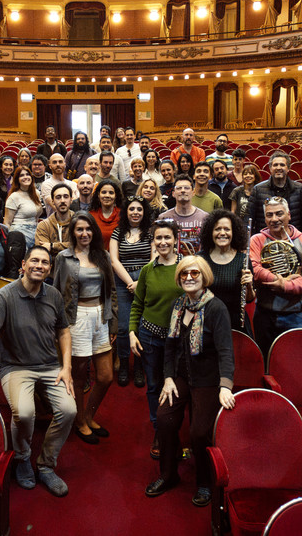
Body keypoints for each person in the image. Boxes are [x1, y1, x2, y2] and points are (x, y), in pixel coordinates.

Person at [0, 245, 76, 497]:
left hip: (49, 366)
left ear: (49, 269)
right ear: (23, 264)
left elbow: (64, 331)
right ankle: (22, 458)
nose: (39, 265)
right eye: (34, 261)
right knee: (24, 413)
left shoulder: (53, 295)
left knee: (68, 410)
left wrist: (67, 367)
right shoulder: (4, 296)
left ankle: (46, 465)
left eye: (44, 262)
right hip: (15, 367)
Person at [144, 256, 235, 507]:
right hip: (181, 375)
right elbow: (170, 347)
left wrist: (225, 386)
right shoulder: (179, 304)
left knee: (199, 432)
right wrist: (168, 378)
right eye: (184, 274)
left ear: (204, 277)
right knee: (164, 418)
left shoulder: (216, 308)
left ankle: (204, 482)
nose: (188, 278)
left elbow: (226, 351)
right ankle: (168, 475)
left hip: (208, 379)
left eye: (194, 273)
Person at [52, 213, 118, 446]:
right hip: (76, 319)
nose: (84, 233)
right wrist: (58, 326)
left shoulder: (103, 255)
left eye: (88, 229)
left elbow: (111, 291)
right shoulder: (64, 257)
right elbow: (55, 292)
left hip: (101, 316)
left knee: (106, 376)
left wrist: (113, 322)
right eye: (79, 229)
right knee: (79, 377)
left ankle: (89, 415)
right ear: (73, 232)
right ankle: (80, 421)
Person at [129, 219, 184, 459]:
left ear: (175, 240)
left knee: (177, 387)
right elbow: (137, 304)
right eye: (158, 238)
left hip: (179, 339)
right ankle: (159, 430)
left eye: (167, 237)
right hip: (150, 336)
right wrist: (132, 332)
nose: (163, 242)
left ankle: (174, 429)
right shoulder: (147, 270)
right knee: (153, 386)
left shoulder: (186, 267)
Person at [249, 196, 302, 353]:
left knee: (298, 358)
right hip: (265, 313)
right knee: (265, 358)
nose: (274, 219)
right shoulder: (256, 240)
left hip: (297, 314)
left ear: (289, 215)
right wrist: (278, 279)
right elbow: (254, 268)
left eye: (279, 213)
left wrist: (286, 286)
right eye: (269, 215)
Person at [109, 196, 152, 388]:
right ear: (126, 212)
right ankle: (125, 365)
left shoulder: (150, 232)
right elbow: (114, 261)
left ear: (144, 212)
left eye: (139, 209)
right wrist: (130, 283)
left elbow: (154, 259)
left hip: (146, 281)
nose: (135, 212)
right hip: (123, 282)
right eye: (132, 209)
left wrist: (139, 283)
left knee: (142, 326)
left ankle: (139, 367)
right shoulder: (117, 232)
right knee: (123, 327)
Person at [201, 210, 254, 333]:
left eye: (227, 229)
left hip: (235, 323)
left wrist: (249, 286)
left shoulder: (243, 260)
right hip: (208, 322)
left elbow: (249, 299)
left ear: (233, 232)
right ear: (210, 232)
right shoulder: (201, 259)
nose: (222, 233)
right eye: (217, 229)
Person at [251, 151, 302, 233]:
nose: (278, 168)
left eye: (282, 165)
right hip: (265, 238)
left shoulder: (300, 189)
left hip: (292, 238)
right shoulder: (257, 189)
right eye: (275, 165)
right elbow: (249, 219)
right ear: (270, 168)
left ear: (288, 168)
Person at [159, 174, 209, 255]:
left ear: (193, 192)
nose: (183, 190)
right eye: (179, 188)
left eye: (186, 188)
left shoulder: (204, 217)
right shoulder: (164, 218)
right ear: (173, 193)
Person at [4, 166, 43, 248]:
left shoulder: (36, 193)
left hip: (35, 231)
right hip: (20, 233)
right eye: (21, 175)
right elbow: (7, 223)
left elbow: (36, 216)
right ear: (17, 179)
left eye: (27, 174)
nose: (25, 177)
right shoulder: (14, 197)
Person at [36, 182, 76, 254]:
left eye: (66, 196)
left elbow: (81, 246)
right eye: (58, 197)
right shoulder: (44, 225)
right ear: (53, 201)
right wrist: (69, 245)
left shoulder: (80, 222)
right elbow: (42, 251)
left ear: (71, 200)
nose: (62, 200)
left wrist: (52, 246)